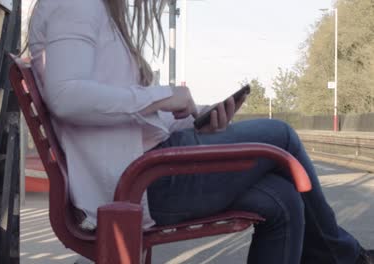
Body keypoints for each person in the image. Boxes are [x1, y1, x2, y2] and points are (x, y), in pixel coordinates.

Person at [27, 0, 373, 263]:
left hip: (144, 173)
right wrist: (161, 96)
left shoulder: (92, 10)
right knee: (279, 134)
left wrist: (194, 119)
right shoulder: (75, 4)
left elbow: (122, 115)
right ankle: (345, 255)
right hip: (138, 183)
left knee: (283, 199)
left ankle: (335, 253)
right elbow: (67, 96)